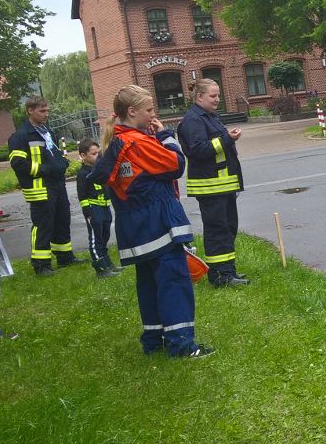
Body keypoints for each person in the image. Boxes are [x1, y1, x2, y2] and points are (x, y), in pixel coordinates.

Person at [91, 85, 212, 359]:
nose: (153, 115)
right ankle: (182, 344)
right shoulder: (138, 142)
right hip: (157, 223)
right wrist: (166, 137)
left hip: (134, 226)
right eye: (148, 110)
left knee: (148, 283)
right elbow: (174, 164)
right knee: (174, 281)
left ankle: (154, 339)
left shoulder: (114, 143)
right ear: (132, 112)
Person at [176, 78, 248, 287]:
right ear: (199, 97)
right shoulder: (192, 121)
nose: (218, 99)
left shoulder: (208, 117)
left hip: (223, 185)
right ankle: (220, 276)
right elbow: (198, 150)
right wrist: (227, 139)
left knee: (228, 228)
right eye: (213, 96)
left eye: (218, 95)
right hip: (211, 187)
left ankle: (228, 271)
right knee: (217, 230)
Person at [7, 97, 75, 276]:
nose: (46, 114)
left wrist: (62, 162)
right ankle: (41, 264)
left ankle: (65, 257)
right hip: (40, 187)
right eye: (42, 111)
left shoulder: (47, 131)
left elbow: (53, 152)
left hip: (57, 184)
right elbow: (18, 163)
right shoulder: (21, 136)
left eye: (47, 111)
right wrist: (44, 169)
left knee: (62, 219)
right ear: (30, 110)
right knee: (43, 225)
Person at [75, 138, 121, 279]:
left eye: (98, 153)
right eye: (94, 154)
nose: (97, 156)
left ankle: (107, 263)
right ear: (83, 156)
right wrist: (88, 212)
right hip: (94, 210)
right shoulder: (83, 174)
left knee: (104, 236)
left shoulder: (100, 170)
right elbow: (82, 195)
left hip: (105, 208)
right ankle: (100, 268)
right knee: (95, 239)